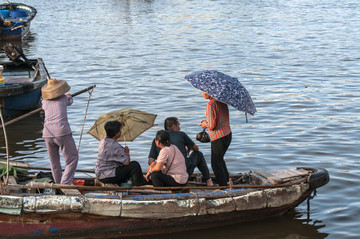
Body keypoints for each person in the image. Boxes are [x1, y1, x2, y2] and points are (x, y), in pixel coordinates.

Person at [148, 117, 214, 186]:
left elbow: (150, 161)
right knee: (198, 154)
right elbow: (196, 148)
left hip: (164, 172)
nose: (180, 128)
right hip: (183, 172)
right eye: (179, 125)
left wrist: (153, 166)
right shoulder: (181, 135)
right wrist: (189, 148)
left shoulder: (156, 140)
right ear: (174, 126)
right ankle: (208, 180)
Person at [41, 78, 78, 185]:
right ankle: (64, 184)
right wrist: (69, 96)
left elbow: (45, 106)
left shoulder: (44, 102)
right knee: (72, 159)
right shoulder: (63, 99)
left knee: (54, 163)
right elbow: (70, 101)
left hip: (47, 133)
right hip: (62, 132)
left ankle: (57, 185)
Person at [96, 120, 145, 186]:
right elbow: (127, 162)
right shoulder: (115, 146)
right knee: (134, 165)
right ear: (117, 134)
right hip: (107, 176)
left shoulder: (103, 140)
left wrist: (119, 125)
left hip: (100, 173)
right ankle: (138, 186)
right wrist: (127, 153)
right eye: (120, 131)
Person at [199, 91, 232, 186]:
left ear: (209, 92)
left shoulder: (211, 104)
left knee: (215, 163)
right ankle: (227, 181)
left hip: (218, 137)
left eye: (203, 92)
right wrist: (207, 122)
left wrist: (205, 124)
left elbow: (212, 125)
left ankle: (223, 186)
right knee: (220, 160)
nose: (202, 94)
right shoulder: (222, 101)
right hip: (227, 134)